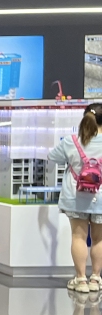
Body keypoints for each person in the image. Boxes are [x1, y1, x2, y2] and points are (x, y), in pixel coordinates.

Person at [47, 103, 102, 292]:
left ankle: (81, 280)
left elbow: (52, 157)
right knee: (99, 239)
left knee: (78, 237)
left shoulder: (72, 141)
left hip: (76, 196)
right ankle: (95, 279)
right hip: (101, 198)